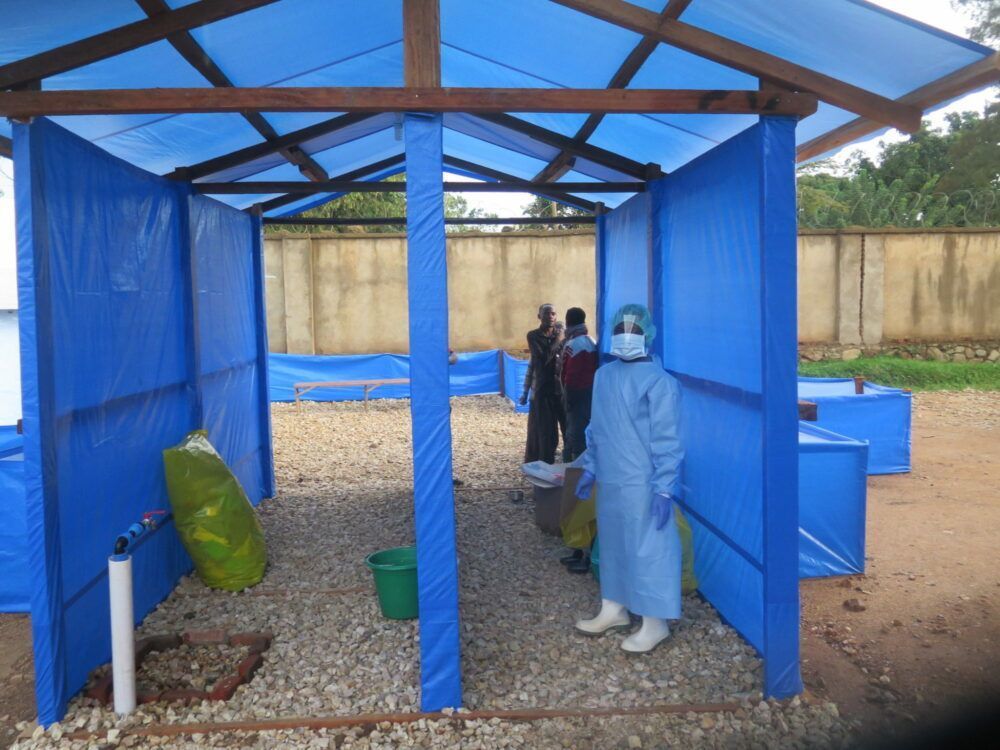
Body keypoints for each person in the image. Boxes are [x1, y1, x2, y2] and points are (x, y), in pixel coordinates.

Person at [573, 303, 683, 653]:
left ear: (648, 336)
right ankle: (614, 608)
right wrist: (590, 466)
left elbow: (668, 439)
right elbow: (598, 427)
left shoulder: (661, 383)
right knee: (615, 542)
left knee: (649, 547)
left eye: (634, 330)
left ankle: (655, 622)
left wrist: (665, 488)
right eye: (620, 328)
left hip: (643, 481)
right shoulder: (604, 376)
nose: (626, 335)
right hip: (611, 477)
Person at [521, 304, 565, 464]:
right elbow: (542, 359)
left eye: (553, 314)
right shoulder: (533, 336)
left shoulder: (560, 334)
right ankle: (546, 468)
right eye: (547, 314)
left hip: (561, 390)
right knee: (547, 434)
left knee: (568, 430)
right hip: (543, 391)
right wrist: (558, 341)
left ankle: (569, 467)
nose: (551, 317)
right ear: (539, 316)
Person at [559, 307, 597, 463]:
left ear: (568, 322)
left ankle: (573, 469)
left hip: (576, 393)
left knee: (575, 432)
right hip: (591, 393)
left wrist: (567, 398)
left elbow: (570, 375)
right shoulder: (592, 341)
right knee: (583, 429)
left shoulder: (573, 344)